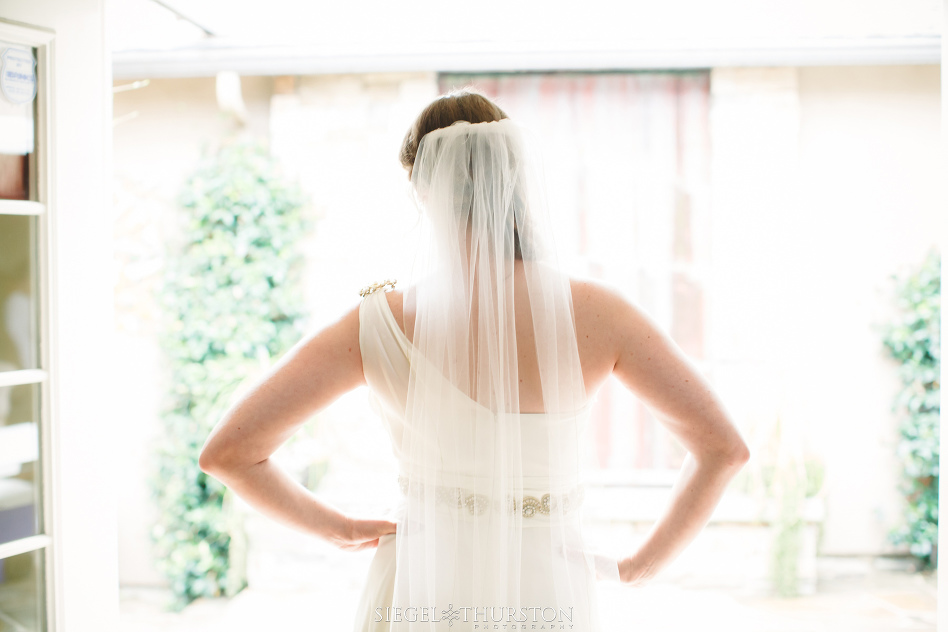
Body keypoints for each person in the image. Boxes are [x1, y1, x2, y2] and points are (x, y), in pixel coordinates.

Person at [199, 89, 750, 631]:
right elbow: (723, 449)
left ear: (420, 187)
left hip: (419, 587)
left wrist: (340, 529)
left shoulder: (377, 323)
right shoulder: (601, 314)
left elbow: (229, 453)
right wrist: (638, 568)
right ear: (514, 178)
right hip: (547, 590)